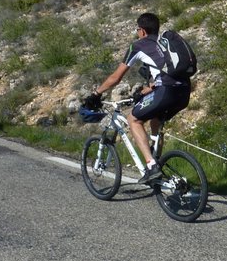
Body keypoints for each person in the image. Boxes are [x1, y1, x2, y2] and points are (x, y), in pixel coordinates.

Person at [82, 12, 191, 184]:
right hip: (184, 92)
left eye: (137, 29)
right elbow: (164, 75)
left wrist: (96, 94)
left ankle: (151, 166)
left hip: (167, 91)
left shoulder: (138, 46)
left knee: (133, 119)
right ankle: (157, 164)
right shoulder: (164, 45)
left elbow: (115, 78)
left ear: (142, 31)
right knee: (155, 120)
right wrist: (145, 91)